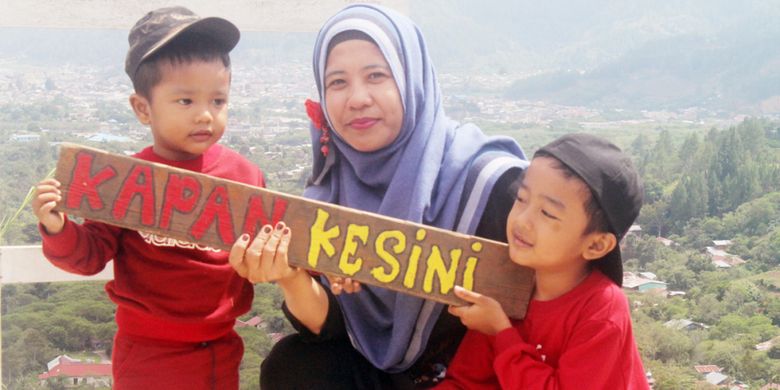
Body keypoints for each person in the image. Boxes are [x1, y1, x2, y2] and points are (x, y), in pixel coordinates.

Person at [228, 3, 528, 389]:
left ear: (411, 80)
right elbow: (330, 329)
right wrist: (290, 276)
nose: (357, 98)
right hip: (383, 375)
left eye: (376, 75)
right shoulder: (333, 182)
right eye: (337, 82)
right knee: (294, 365)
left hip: (480, 378)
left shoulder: (490, 186)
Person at [31, 7, 264, 389]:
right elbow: (90, 255)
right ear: (143, 108)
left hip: (219, 348)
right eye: (186, 101)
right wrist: (57, 227)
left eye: (218, 101)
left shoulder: (245, 177)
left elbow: (270, 253)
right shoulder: (123, 179)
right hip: (145, 352)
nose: (206, 115)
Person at [435, 133, 650, 389]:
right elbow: (466, 383)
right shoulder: (504, 284)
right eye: (521, 199)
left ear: (595, 245)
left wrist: (502, 334)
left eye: (547, 213)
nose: (522, 219)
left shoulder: (601, 310)